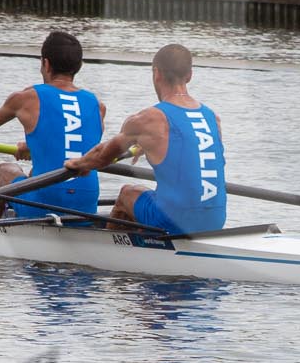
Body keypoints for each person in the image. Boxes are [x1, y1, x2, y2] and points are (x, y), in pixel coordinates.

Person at [0, 30, 108, 220]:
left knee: (4, 171)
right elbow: (75, 143)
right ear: (79, 66)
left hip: (46, 201)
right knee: (33, 174)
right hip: (86, 205)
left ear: (45, 64)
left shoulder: (29, 97)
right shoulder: (98, 106)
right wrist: (33, 147)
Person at [67, 43, 225, 236]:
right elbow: (196, 157)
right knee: (157, 199)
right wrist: (151, 146)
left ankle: (112, 253)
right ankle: (148, 240)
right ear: (189, 75)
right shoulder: (212, 118)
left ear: (156, 73)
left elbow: (102, 157)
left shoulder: (148, 120)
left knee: (127, 193)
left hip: (176, 220)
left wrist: (80, 163)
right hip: (216, 219)